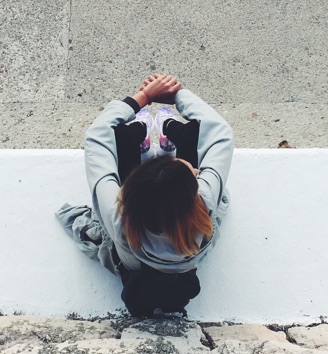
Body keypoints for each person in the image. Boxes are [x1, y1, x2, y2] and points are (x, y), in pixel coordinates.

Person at [57, 74, 234, 317]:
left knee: (117, 136)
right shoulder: (206, 201)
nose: (195, 170)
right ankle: (170, 130)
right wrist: (177, 94)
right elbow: (220, 134)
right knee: (196, 132)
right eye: (192, 173)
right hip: (183, 258)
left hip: (136, 264)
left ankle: (138, 134)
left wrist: (144, 96)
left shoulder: (119, 216)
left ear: (127, 193)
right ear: (194, 193)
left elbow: (98, 136)